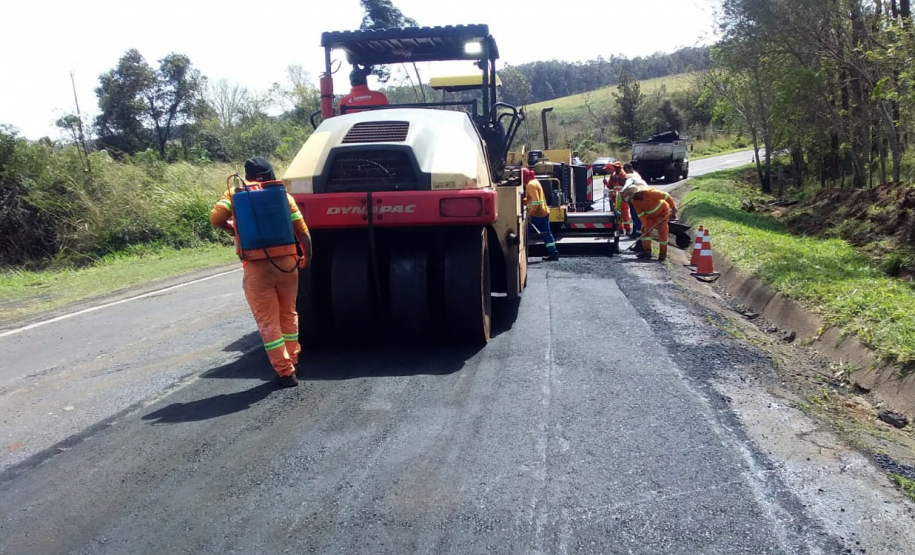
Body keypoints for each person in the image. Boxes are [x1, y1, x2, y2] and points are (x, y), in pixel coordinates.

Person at [210, 157, 313, 388]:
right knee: (288, 313)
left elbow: (216, 219)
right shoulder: (283, 196)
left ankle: (285, 372)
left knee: (268, 321)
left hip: (256, 266)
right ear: (271, 174)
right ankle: (293, 360)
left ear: (247, 176)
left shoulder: (235, 194)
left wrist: (233, 227)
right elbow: (303, 232)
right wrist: (307, 255)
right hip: (287, 264)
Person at [620, 179, 677, 262]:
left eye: (633, 196)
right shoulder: (634, 202)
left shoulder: (649, 193)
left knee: (662, 231)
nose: (633, 198)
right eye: (632, 197)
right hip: (651, 216)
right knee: (644, 230)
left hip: (663, 213)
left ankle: (662, 254)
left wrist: (673, 207)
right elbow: (640, 215)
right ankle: (647, 251)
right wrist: (646, 225)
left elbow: (666, 196)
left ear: (638, 193)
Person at [522, 167, 560, 261]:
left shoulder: (530, 185)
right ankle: (553, 253)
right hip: (544, 212)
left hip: (536, 215)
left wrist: (531, 213)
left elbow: (536, 201)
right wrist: (522, 201)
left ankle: (523, 255)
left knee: (525, 235)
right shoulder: (535, 182)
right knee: (547, 234)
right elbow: (533, 199)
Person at [603, 162, 632, 235]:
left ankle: (627, 229)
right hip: (615, 197)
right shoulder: (612, 176)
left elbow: (626, 185)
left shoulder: (624, 175)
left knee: (625, 213)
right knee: (618, 213)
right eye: (615, 167)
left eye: (617, 167)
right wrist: (606, 183)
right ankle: (620, 228)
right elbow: (610, 186)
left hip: (623, 196)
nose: (616, 168)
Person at [623, 162, 644, 238]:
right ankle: (635, 231)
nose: (626, 173)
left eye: (626, 171)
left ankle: (638, 233)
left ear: (630, 168)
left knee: (636, 216)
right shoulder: (633, 175)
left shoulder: (634, 176)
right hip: (633, 198)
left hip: (636, 199)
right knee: (634, 216)